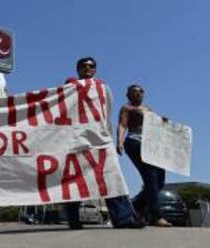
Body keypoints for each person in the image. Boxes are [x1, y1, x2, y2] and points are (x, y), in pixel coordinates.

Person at [64, 57, 144, 229]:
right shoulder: (70, 86)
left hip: (99, 137)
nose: (87, 68)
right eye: (83, 66)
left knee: (109, 176)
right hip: (76, 138)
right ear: (77, 69)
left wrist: (109, 136)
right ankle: (73, 218)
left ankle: (123, 218)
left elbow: (105, 112)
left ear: (95, 70)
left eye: (91, 66)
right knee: (76, 178)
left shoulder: (102, 87)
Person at [117, 84, 172, 227]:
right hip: (135, 143)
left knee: (159, 182)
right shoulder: (127, 108)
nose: (137, 94)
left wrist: (163, 121)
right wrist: (119, 142)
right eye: (133, 92)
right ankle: (156, 216)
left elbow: (157, 126)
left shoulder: (149, 109)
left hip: (152, 145)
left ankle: (133, 208)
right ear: (128, 95)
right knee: (150, 176)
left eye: (140, 91)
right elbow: (123, 125)